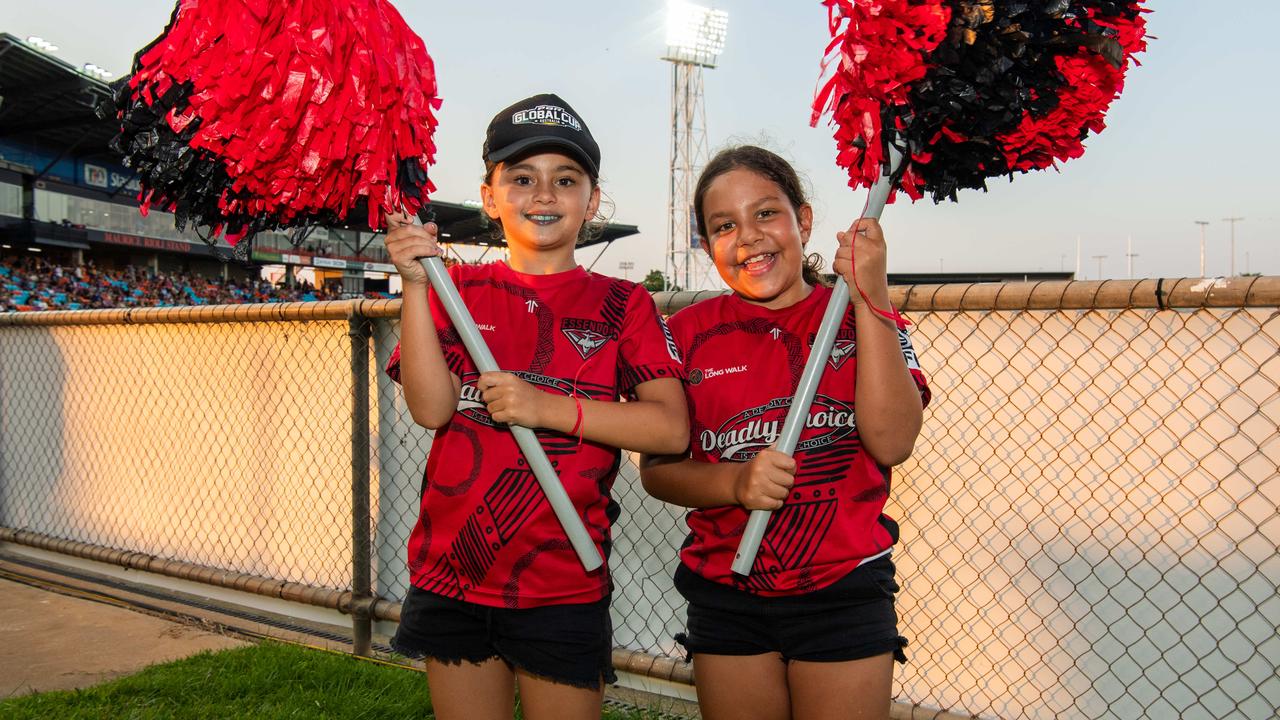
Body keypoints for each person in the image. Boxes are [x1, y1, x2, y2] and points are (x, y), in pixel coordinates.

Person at [383, 93, 688, 720]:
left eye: (565, 180)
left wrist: (545, 408)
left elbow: (669, 426)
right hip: (453, 573)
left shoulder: (623, 303)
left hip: (562, 580)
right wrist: (417, 287)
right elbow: (432, 409)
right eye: (521, 179)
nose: (543, 195)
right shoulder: (454, 287)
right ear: (490, 197)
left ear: (592, 200)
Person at [640, 145, 930, 720]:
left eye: (766, 213)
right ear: (705, 243)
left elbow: (893, 441)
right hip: (726, 589)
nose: (747, 237)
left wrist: (872, 294)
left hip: (842, 586)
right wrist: (735, 484)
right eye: (724, 225)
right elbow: (658, 473)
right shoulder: (683, 333)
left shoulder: (864, 317)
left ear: (803, 220)